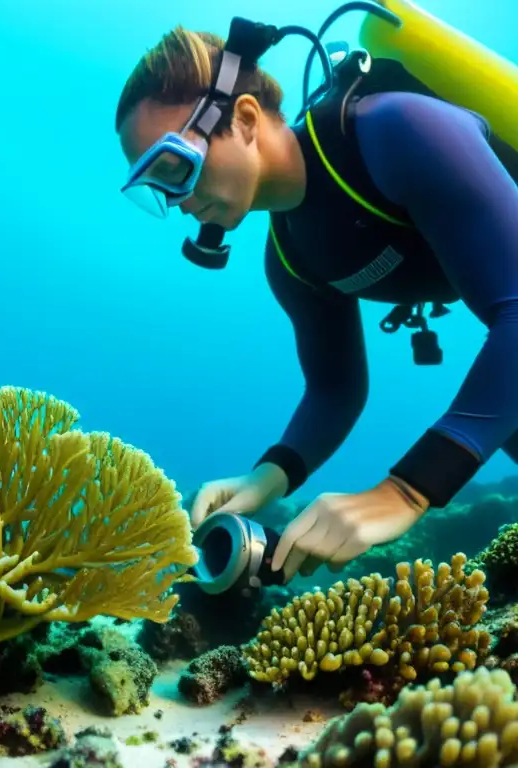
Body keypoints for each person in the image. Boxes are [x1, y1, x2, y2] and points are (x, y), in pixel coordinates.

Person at [113, 18, 518, 583]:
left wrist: (405, 491)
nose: (176, 200)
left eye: (174, 166)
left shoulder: (398, 129)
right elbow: (335, 389)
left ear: (245, 119)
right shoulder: (290, 260)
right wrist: (269, 477)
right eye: (157, 187)